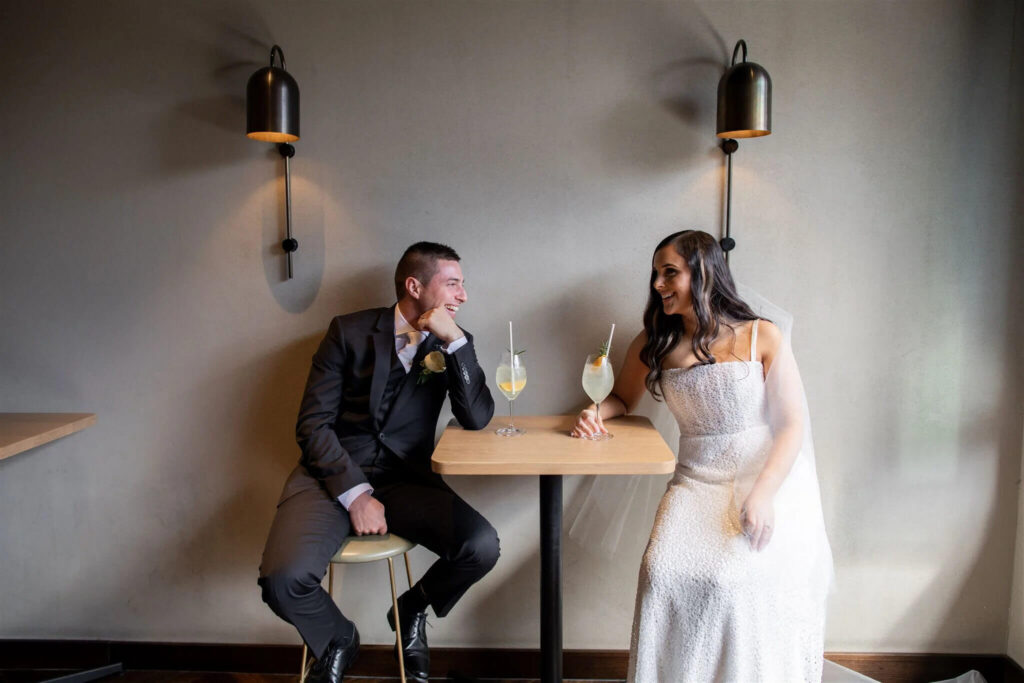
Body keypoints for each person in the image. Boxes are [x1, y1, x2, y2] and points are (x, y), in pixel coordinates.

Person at [572, 230, 832, 682]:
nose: (657, 284)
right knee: (659, 572)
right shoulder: (653, 340)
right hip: (693, 481)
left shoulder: (761, 336)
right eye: (655, 273)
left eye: (669, 272)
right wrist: (595, 412)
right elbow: (622, 397)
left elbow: (792, 424)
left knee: (728, 584)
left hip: (760, 479)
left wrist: (764, 494)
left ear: (705, 272)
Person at [259, 242, 499, 683]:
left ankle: (410, 609)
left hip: (405, 479)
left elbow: (478, 417)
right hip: (330, 478)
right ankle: (338, 639)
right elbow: (312, 425)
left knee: (481, 546)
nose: (463, 295)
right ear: (414, 285)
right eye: (452, 283)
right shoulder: (347, 332)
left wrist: (456, 343)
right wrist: (355, 494)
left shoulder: (453, 344)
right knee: (281, 579)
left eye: (463, 285)